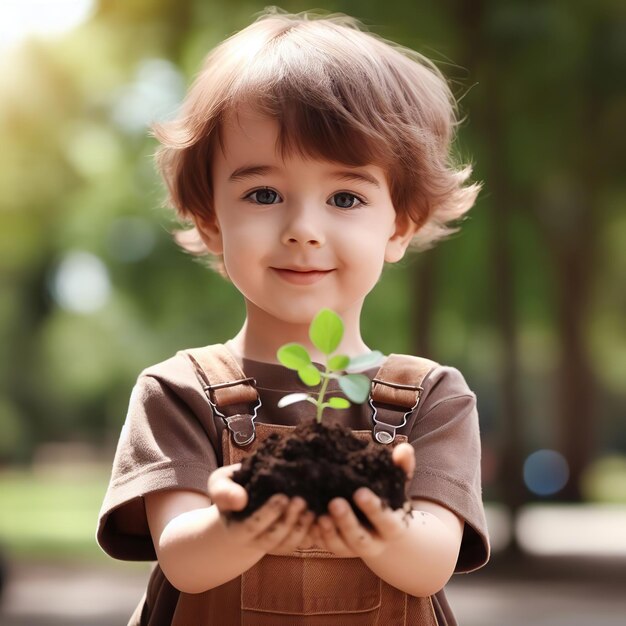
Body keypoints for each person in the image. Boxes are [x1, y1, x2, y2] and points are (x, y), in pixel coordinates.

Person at [97, 8, 490, 625]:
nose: (303, 229)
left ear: (401, 224)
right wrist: (243, 520)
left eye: (345, 197)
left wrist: (374, 517)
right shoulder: (177, 393)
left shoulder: (432, 400)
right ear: (209, 219)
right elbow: (183, 561)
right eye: (263, 194)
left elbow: (430, 563)